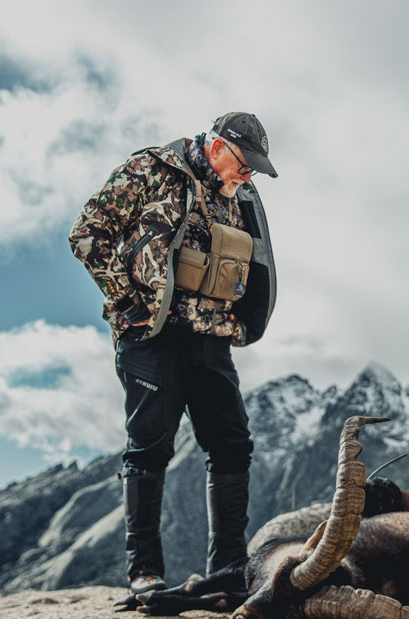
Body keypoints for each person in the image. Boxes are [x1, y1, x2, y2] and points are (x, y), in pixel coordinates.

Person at [68, 112, 280, 594]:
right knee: (150, 447)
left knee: (231, 445)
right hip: (152, 334)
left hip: (211, 336)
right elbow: (87, 233)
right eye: (245, 164)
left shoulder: (242, 196)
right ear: (219, 146)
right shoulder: (151, 169)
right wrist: (125, 300)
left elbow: (256, 259)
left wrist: (242, 323)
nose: (248, 176)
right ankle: (144, 570)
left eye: (254, 170)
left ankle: (226, 571)